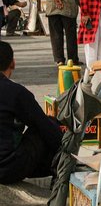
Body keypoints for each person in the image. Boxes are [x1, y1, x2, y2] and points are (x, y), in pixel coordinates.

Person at [0, 41, 62, 184]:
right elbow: (44, 126)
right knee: (48, 125)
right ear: (12, 63)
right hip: (6, 169)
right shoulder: (16, 92)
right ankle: (58, 167)